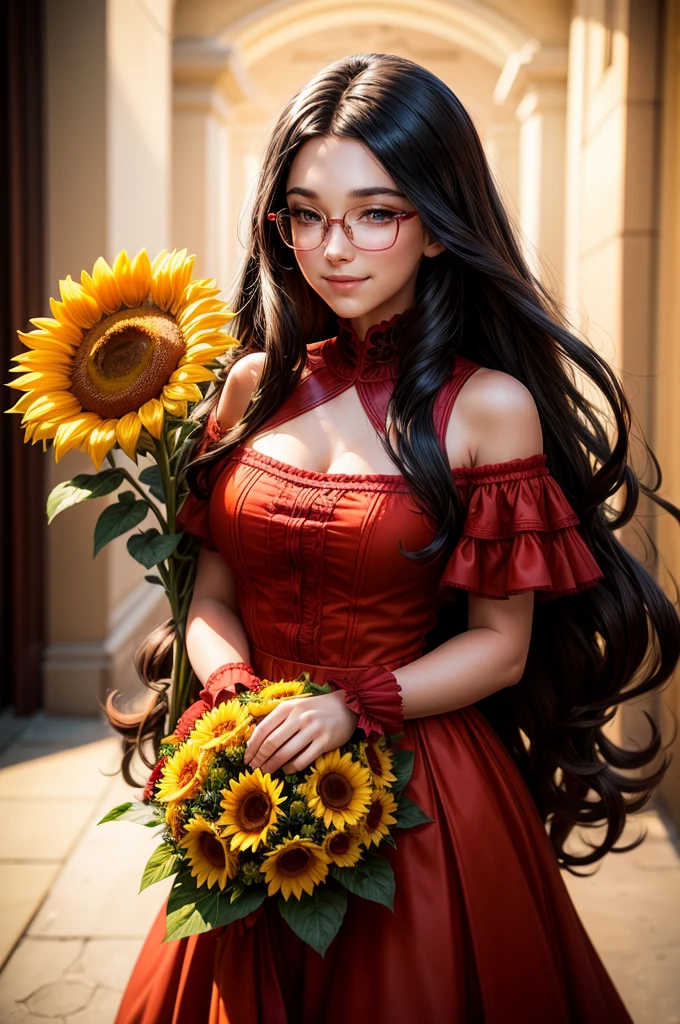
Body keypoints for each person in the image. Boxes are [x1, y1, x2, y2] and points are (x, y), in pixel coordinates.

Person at [111, 53, 679, 1023]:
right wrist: (233, 693)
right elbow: (209, 595)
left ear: (437, 225)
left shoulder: (488, 407)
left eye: (375, 212)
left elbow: (499, 650)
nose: (333, 247)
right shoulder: (247, 386)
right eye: (304, 212)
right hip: (251, 766)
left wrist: (348, 707)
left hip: (423, 792)